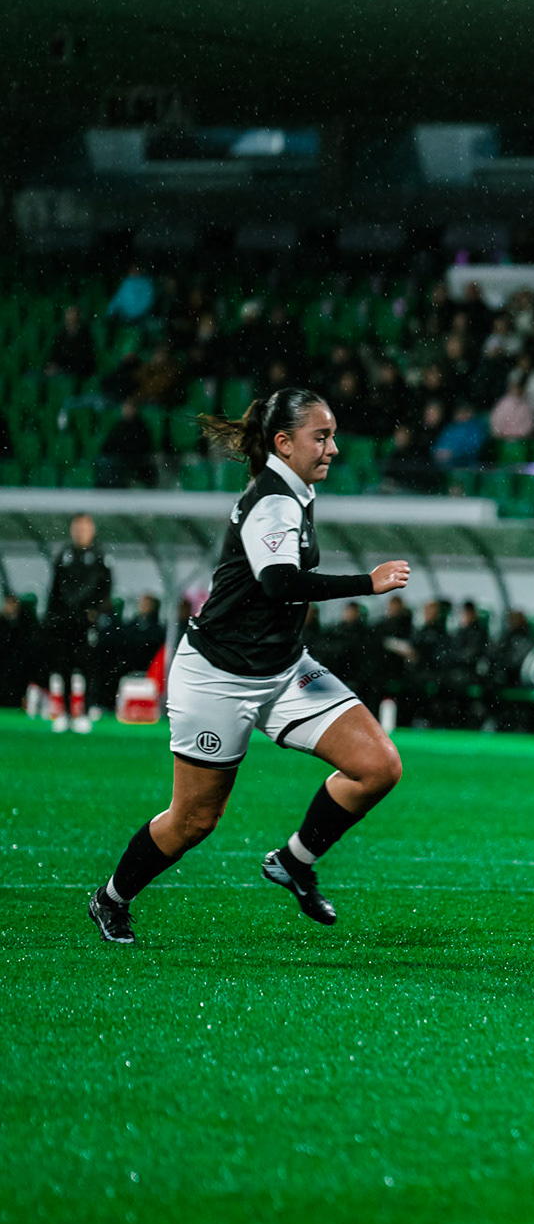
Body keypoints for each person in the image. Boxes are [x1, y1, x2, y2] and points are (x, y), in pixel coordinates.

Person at [87, 389, 410, 946]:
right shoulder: (274, 502)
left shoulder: (296, 490)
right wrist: (367, 583)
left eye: (333, 436)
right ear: (283, 442)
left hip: (283, 670)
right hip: (218, 677)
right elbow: (278, 582)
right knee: (194, 821)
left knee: (378, 766)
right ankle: (110, 898)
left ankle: (294, 860)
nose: (333, 448)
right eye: (321, 437)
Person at [44, 513, 114, 734]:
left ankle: (84, 712)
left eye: (84, 528)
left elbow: (106, 589)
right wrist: (51, 616)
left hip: (86, 622)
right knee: (63, 667)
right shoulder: (64, 555)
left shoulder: (100, 556)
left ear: (92, 530)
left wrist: (95, 611)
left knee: (87, 668)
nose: (80, 532)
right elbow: (54, 589)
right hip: (64, 620)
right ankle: (64, 713)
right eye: (77, 528)